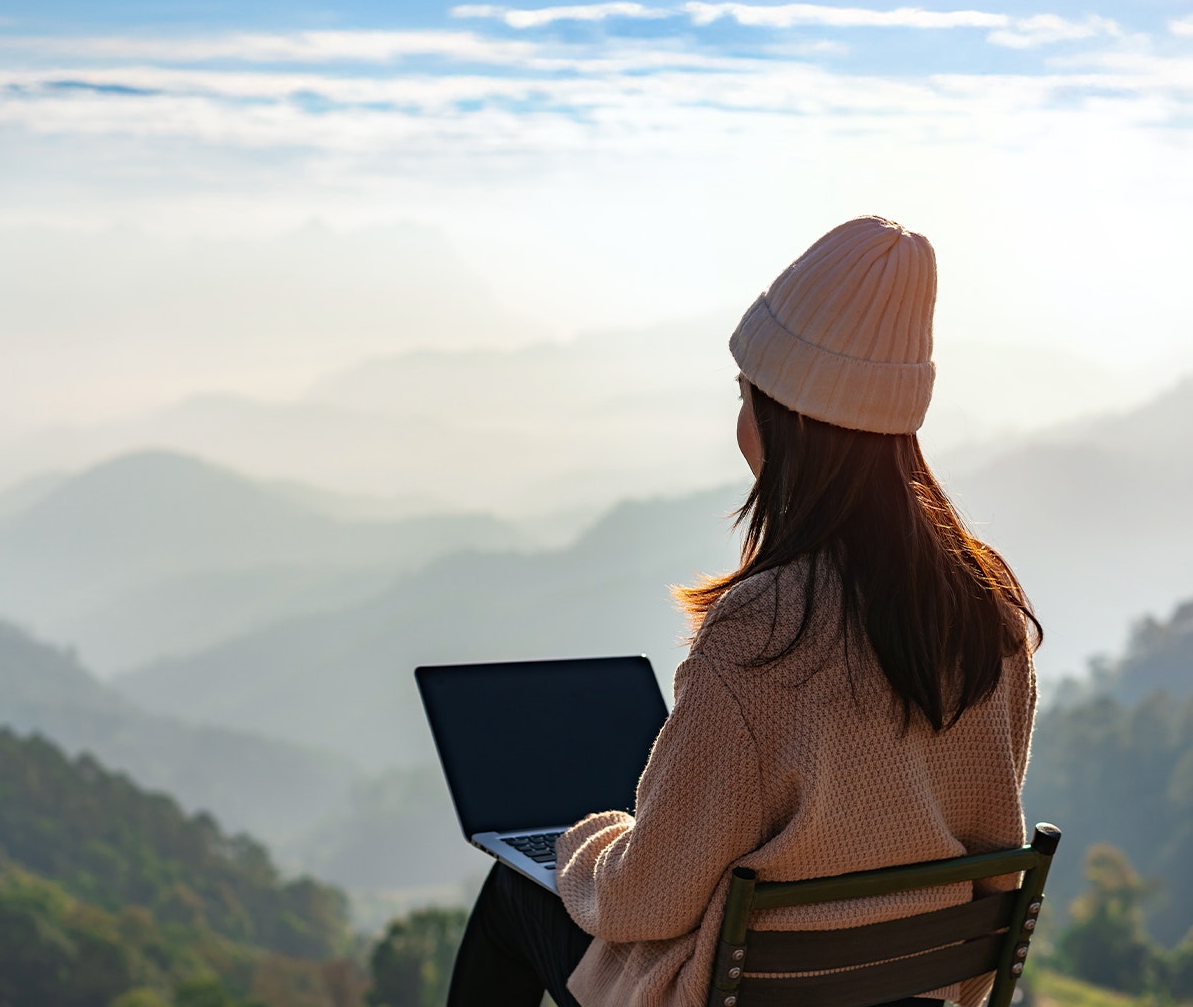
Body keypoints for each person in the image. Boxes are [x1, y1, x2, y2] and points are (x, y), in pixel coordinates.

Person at [444, 216, 1042, 1007]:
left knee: (514, 894)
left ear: (785, 417)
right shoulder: (989, 612)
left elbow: (644, 900)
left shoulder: (763, 630)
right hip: (913, 995)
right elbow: (987, 854)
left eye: (745, 394)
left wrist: (580, 845)